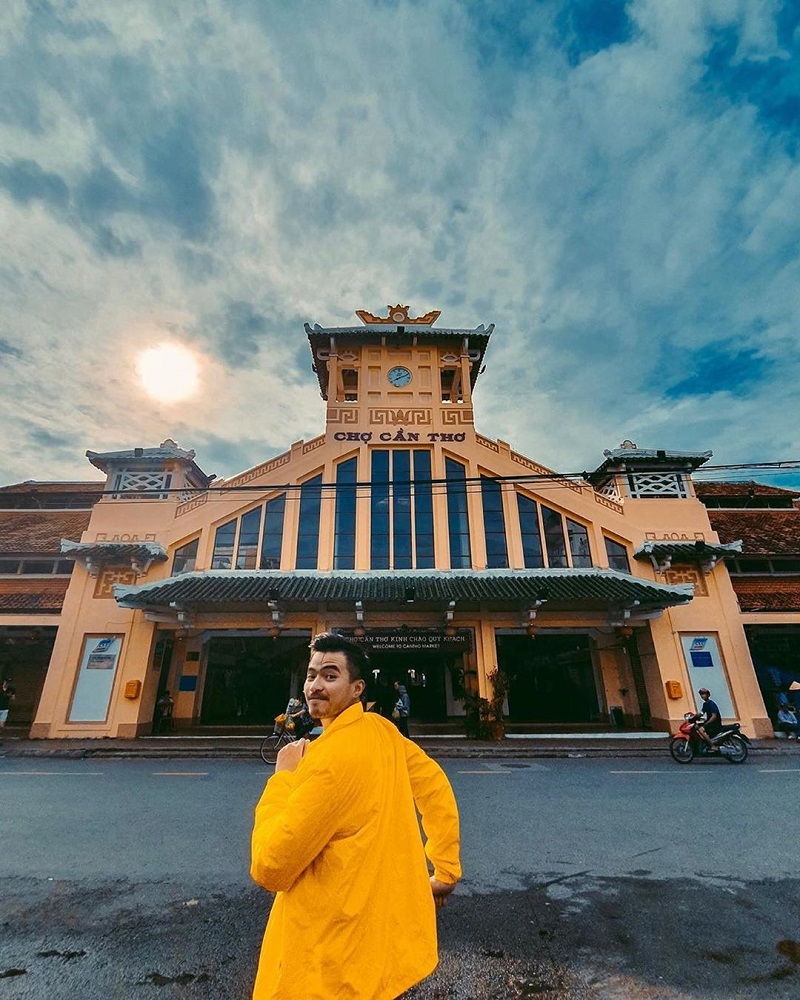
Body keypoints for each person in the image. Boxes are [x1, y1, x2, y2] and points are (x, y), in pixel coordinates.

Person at [250, 632, 461, 1000]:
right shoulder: (382, 731)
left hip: (327, 965)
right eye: (312, 675)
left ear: (357, 688)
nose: (315, 686)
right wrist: (445, 869)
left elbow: (271, 866)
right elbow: (435, 787)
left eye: (330, 676)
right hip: (374, 947)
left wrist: (283, 777)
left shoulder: (329, 759)